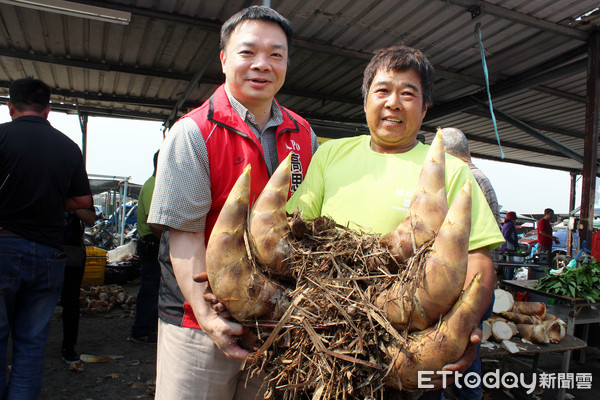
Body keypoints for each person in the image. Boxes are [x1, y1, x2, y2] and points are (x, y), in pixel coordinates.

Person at [286, 45, 504, 397]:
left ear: (425, 107)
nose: (393, 103)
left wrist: (468, 324)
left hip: (408, 343)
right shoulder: (329, 155)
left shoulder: (453, 171)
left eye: (408, 94)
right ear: (366, 100)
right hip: (323, 334)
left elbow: (478, 258)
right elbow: (294, 230)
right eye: (383, 90)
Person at [147, 6, 319, 399]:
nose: (262, 65)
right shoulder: (193, 133)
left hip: (276, 320)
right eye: (248, 52)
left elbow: (305, 222)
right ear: (224, 59)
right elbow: (184, 236)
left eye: (276, 55)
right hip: (199, 320)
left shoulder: (303, 134)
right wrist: (208, 318)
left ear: (287, 64)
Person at [0, 78, 92, 398]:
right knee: (31, 343)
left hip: (3, 248)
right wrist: (51, 198)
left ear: (10, 106)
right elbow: (83, 205)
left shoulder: (1, 136)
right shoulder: (68, 147)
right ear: (48, 110)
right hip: (49, 255)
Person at [440, 126, 501, 399]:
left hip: (469, 285)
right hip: (478, 284)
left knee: (463, 349)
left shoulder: (466, 178)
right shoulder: (481, 177)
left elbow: (475, 248)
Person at [129, 150, 161, 344]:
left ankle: (148, 328)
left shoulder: (156, 184)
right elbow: (154, 222)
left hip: (154, 243)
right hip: (152, 244)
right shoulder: (153, 186)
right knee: (151, 288)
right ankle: (141, 330)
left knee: (154, 288)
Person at [61, 207, 96, 370]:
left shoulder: (79, 188)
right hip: (44, 249)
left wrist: (72, 205)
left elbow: (90, 218)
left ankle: (68, 348)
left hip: (73, 255)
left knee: (71, 302)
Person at [531, 208, 559, 280]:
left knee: (547, 263)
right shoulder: (541, 221)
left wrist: (553, 238)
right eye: (552, 214)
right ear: (548, 214)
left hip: (548, 245)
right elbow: (541, 232)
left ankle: (546, 277)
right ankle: (541, 277)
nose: (552, 216)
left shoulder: (547, 222)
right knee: (543, 263)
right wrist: (551, 237)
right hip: (543, 245)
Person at [499, 211, 519, 280]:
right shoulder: (510, 225)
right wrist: (515, 243)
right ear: (513, 219)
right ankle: (509, 283)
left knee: (506, 267)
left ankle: (504, 283)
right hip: (509, 247)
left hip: (503, 247)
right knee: (510, 267)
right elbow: (507, 236)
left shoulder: (505, 225)